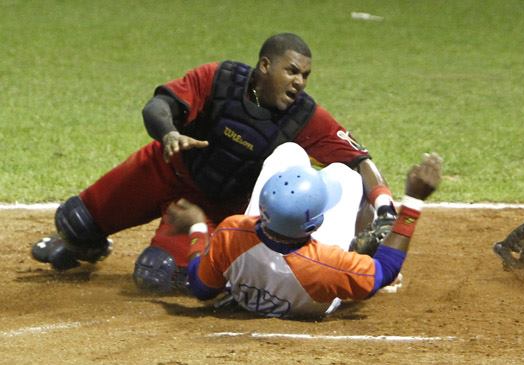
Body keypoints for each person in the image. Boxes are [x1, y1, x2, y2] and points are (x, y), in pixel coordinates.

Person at [31, 33, 397, 293]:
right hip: (163, 170)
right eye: (292, 71)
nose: (299, 82)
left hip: (211, 208)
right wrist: (169, 133)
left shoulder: (305, 117)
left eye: (305, 75)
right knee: (75, 220)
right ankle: (84, 247)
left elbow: (357, 158)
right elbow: (158, 106)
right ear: (265, 66)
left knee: (156, 275)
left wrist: (383, 205)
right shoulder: (219, 79)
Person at [167, 152, 442, 318]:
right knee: (345, 176)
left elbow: (200, 287)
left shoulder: (230, 232)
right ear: (313, 227)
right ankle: (359, 247)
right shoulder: (330, 264)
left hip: (247, 273)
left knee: (287, 151)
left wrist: (197, 228)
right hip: (316, 285)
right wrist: (414, 201)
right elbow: (386, 270)